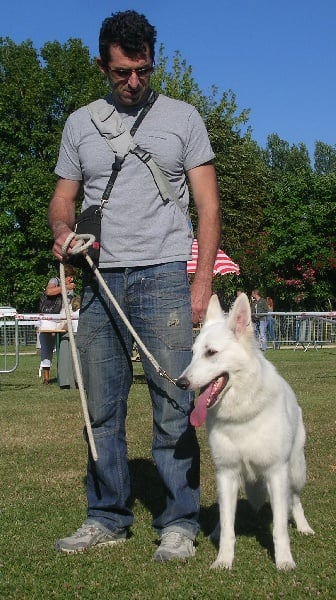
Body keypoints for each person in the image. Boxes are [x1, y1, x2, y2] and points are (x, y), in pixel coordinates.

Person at [48, 10, 220, 560]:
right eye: (122, 72)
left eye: (142, 70)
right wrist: (60, 233)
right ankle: (106, 516)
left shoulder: (184, 118)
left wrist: (199, 283)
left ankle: (179, 523)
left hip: (166, 273)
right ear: (102, 64)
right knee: (101, 407)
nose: (133, 82)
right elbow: (62, 202)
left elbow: (209, 206)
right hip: (100, 280)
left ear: (152, 61)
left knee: (174, 403)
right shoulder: (80, 124)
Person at [38, 265, 76, 384]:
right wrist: (66, 287)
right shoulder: (54, 281)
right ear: (64, 275)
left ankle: (65, 375)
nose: (72, 279)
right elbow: (49, 291)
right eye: (70, 276)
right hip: (49, 319)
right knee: (46, 347)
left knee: (65, 346)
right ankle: (46, 378)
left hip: (63, 320)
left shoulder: (71, 287)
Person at [58, 296, 81, 389]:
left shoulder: (72, 315)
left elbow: (64, 327)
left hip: (72, 338)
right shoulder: (81, 314)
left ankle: (68, 381)